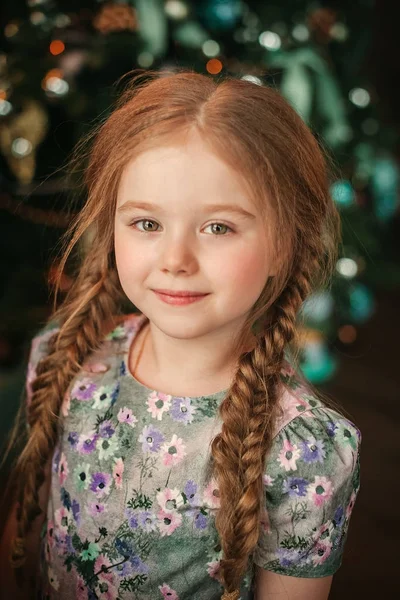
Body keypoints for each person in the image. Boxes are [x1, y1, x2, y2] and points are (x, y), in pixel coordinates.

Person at [0, 69, 361, 600]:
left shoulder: (303, 452)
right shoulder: (69, 359)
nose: (175, 261)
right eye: (147, 223)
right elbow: (20, 538)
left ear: (284, 245)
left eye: (218, 227)